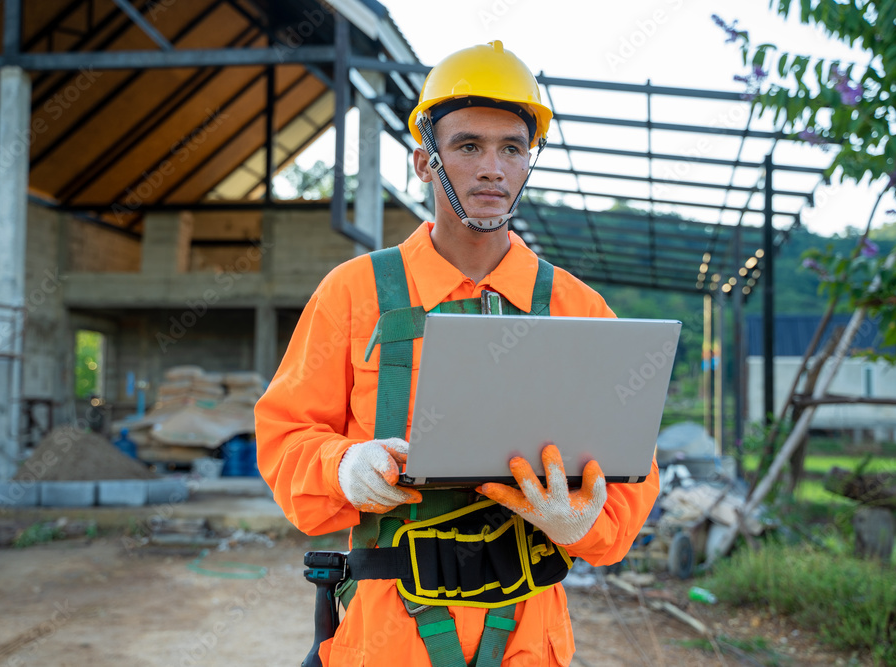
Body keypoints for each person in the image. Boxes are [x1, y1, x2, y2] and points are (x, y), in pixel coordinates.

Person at [256, 40, 660, 667]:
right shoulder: (355, 294)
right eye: (469, 146)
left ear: (529, 163)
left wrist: (584, 523)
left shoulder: (578, 308)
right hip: (390, 635)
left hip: (528, 635)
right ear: (425, 162)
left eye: (511, 148)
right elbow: (284, 437)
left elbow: (632, 479)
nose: (492, 168)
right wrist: (342, 467)